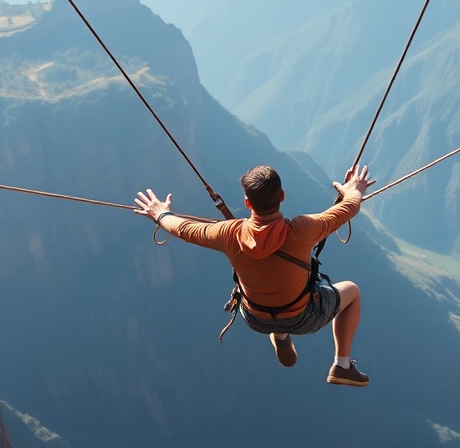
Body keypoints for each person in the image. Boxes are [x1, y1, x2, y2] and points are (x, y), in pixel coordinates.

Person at [133, 165, 374, 386]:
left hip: (256, 318)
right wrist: (354, 189)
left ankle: (280, 335)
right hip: (303, 316)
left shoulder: (228, 233)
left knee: (274, 303)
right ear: (282, 196)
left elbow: (183, 229)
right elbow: (349, 207)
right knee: (351, 290)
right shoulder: (304, 229)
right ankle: (341, 365)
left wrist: (160, 214)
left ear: (247, 202)